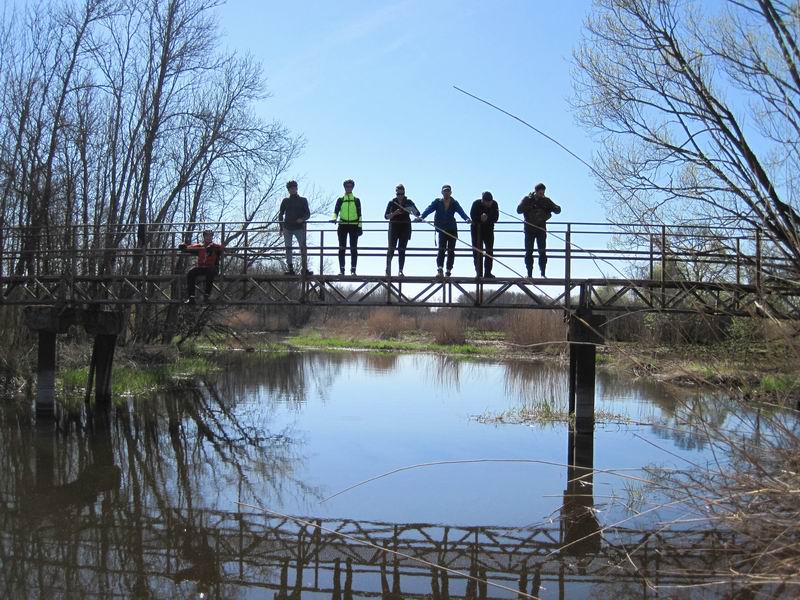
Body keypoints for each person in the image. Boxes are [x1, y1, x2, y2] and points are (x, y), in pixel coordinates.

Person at [418, 184, 470, 278]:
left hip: (452, 229)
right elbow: (429, 209)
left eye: (448, 191)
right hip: (442, 229)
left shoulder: (454, 202)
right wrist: (422, 217)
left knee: (451, 251)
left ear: (451, 192)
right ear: (442, 192)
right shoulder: (438, 202)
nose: (446, 192)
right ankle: (440, 269)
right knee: (441, 249)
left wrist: (466, 219)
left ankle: (448, 271)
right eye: (445, 191)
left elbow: (461, 211)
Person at [517, 182, 561, 278]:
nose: (542, 195)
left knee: (542, 251)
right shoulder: (527, 199)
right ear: (535, 191)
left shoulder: (546, 200)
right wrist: (531, 207)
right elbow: (519, 210)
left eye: (543, 193)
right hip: (529, 229)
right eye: (540, 193)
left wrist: (555, 208)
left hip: (541, 229)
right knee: (529, 251)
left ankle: (543, 273)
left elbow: (557, 209)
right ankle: (529, 274)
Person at [179, 229, 224, 304]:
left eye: (210, 236)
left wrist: (214, 248)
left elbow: (224, 248)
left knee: (210, 272)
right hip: (202, 267)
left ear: (212, 237)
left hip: (212, 268)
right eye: (206, 236)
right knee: (191, 273)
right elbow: (189, 248)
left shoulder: (215, 246)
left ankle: (206, 296)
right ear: (204, 237)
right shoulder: (200, 246)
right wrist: (184, 247)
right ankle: (191, 298)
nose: (208, 237)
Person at [384, 184, 419, 276]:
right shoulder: (392, 202)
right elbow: (386, 216)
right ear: (396, 194)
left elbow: (418, 213)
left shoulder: (409, 202)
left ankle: (400, 270)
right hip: (394, 227)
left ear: (404, 193)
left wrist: (411, 209)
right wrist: (394, 213)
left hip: (405, 227)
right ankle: (388, 269)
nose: (400, 196)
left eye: (402, 194)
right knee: (391, 248)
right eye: (398, 194)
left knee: (402, 249)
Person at [278, 180, 312, 276]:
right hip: (287, 227)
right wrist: (281, 227)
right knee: (288, 248)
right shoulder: (285, 201)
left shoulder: (303, 200)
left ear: (296, 188)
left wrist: (302, 219)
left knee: (303, 247)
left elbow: (308, 214)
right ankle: (290, 269)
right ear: (288, 190)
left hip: (299, 227)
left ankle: (304, 269)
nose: (292, 190)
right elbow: (281, 214)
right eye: (290, 188)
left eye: (294, 188)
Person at [330, 179, 362, 276]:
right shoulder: (340, 199)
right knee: (342, 248)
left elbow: (360, 215)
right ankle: (342, 270)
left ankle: (353, 270)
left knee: (353, 248)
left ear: (353, 187)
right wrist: (334, 218)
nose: (348, 188)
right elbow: (335, 211)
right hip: (342, 225)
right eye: (347, 186)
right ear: (344, 187)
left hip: (354, 226)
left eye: (350, 186)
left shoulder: (356, 200)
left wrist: (360, 227)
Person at [470, 191, 499, 278]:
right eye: (486, 202)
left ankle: (488, 272)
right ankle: (479, 272)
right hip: (476, 230)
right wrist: (480, 218)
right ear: (482, 201)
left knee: (489, 251)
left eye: (490, 202)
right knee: (477, 251)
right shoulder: (476, 203)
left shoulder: (494, 204)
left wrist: (487, 218)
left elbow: (496, 217)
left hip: (489, 230)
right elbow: (473, 216)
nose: (488, 204)